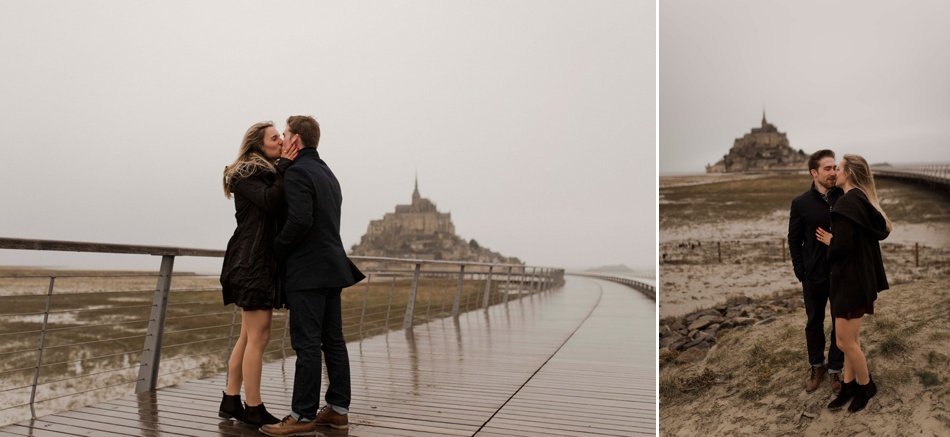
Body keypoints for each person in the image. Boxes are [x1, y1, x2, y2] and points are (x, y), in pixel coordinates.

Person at [261, 116, 365, 436]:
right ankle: (337, 410)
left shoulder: (298, 172)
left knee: (307, 344)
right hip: (333, 267)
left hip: (308, 271)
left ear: (296, 140)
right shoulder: (327, 173)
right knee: (333, 341)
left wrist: (276, 249)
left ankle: (302, 415)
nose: (283, 139)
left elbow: (301, 221)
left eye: (287, 134)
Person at [218, 121, 298, 427]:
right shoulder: (250, 173)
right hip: (252, 263)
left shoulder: (262, 171)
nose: (280, 141)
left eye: (281, 137)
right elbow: (272, 201)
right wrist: (286, 165)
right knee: (259, 335)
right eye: (274, 137)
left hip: (255, 260)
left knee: (248, 335)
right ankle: (254, 408)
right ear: (257, 144)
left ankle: (230, 400)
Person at [816, 153, 891, 413]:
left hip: (850, 284)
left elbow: (843, 247)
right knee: (851, 340)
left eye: (839, 168)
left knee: (844, 342)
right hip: (860, 282)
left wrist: (830, 242)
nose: (835, 172)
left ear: (849, 174)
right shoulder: (861, 200)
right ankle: (848, 386)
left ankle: (866, 386)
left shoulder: (847, 204)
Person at [788, 149, 845, 395]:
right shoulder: (800, 203)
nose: (833, 173)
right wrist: (801, 272)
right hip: (813, 275)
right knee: (814, 322)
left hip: (841, 272)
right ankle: (817, 366)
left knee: (839, 322)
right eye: (828, 169)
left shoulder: (844, 197)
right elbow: (793, 240)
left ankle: (835, 368)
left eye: (835, 168)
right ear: (814, 173)